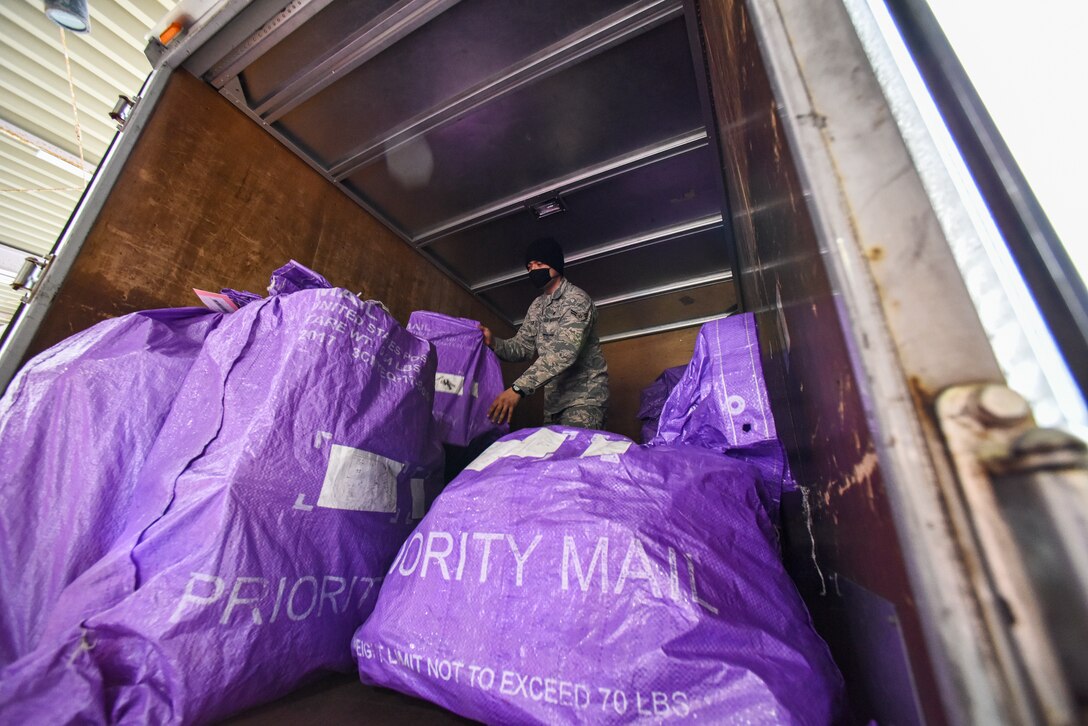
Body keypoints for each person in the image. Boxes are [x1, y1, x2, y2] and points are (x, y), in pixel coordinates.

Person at [480, 237, 609, 429]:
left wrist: (518, 389)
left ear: (555, 264)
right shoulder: (537, 306)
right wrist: (494, 342)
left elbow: (564, 352)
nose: (533, 270)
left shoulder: (576, 299)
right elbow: (522, 347)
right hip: (553, 405)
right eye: (529, 267)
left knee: (574, 448)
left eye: (539, 264)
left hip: (583, 400)